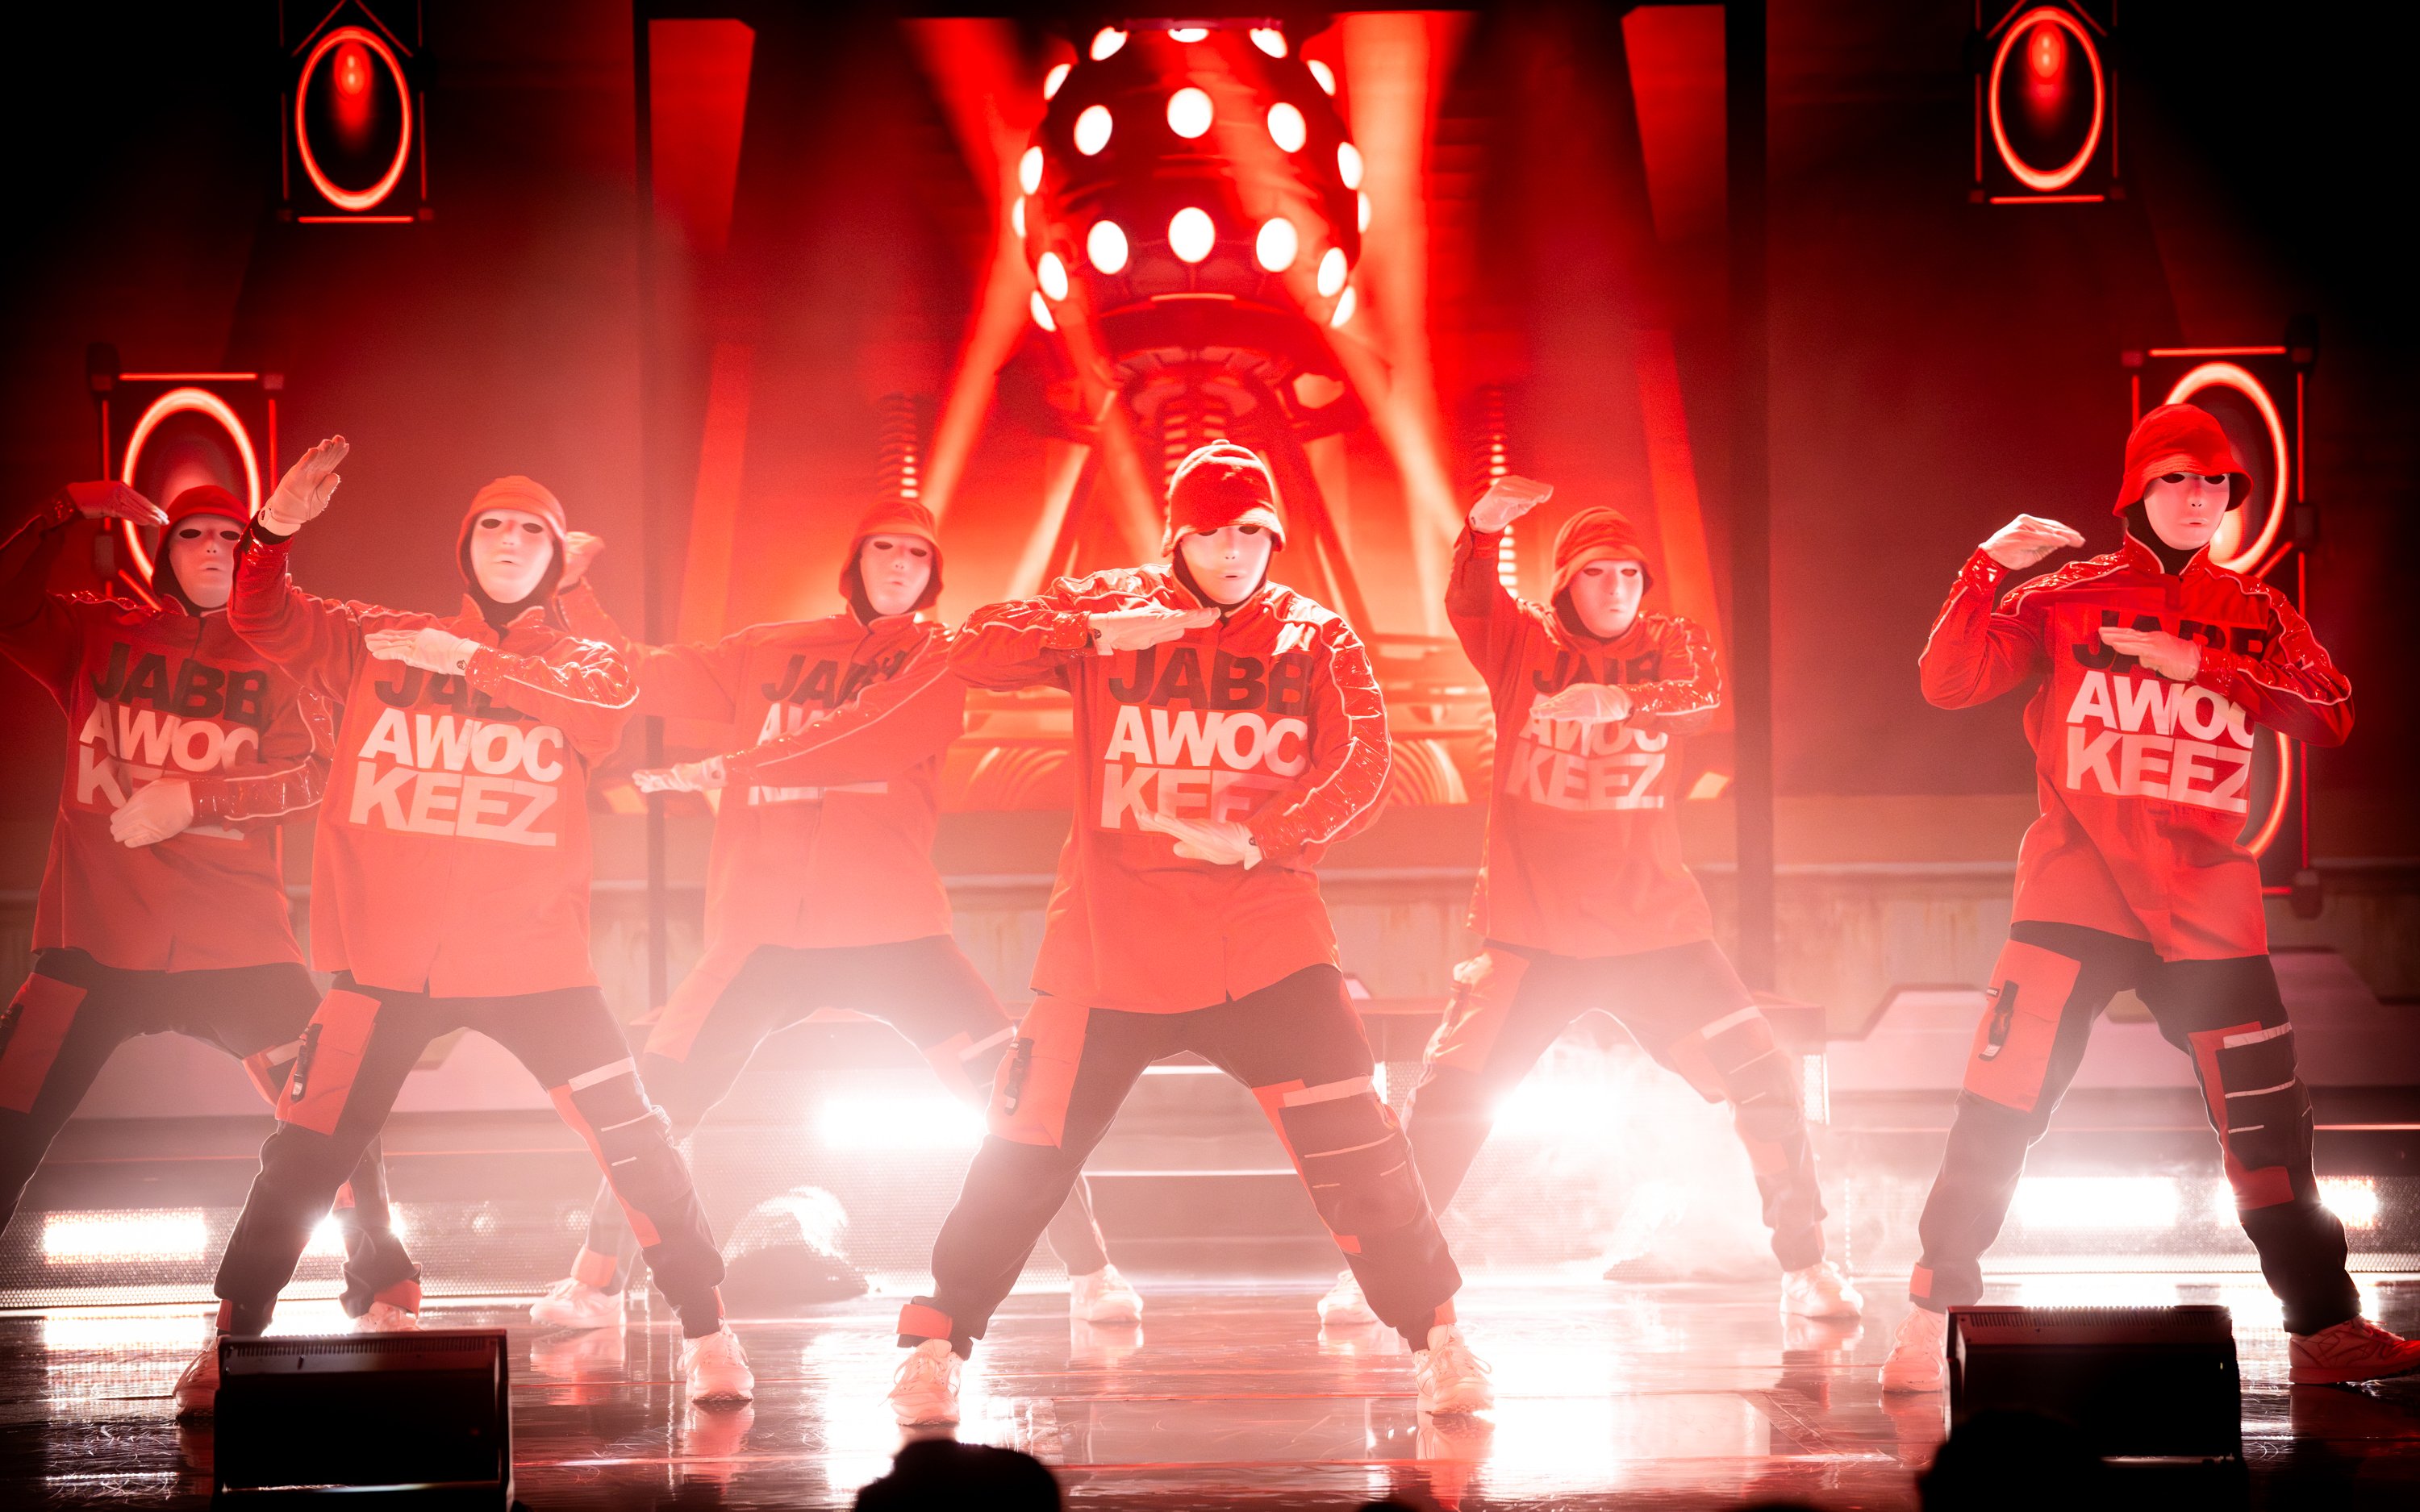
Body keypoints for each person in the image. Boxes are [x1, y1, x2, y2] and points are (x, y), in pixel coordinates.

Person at [866, 441, 1487, 1427]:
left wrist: (1263, 838)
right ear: (1176, 537)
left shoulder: (1316, 636)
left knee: (1363, 1159)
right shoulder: (1113, 606)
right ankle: (933, 1343)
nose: (1233, 550)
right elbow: (971, 648)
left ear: (1275, 536)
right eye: (1210, 531)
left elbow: (1366, 762)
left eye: (1252, 531)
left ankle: (1440, 1341)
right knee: (1020, 1159)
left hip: (1267, 947)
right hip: (1107, 953)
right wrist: (1094, 631)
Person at [172, 438, 753, 1412]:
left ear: (558, 558)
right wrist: (269, 535)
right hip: (386, 964)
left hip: (536, 961)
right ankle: (230, 1339)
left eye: (534, 531)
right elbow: (261, 614)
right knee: (303, 1155)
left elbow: (606, 710)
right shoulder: (386, 638)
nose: (511, 542)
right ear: (464, 546)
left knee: (638, 1144)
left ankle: (710, 1334)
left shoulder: (579, 661)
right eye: (493, 526)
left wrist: (477, 660)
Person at [1882, 403, 2420, 1389]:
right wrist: (1986, 568)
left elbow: (2334, 713)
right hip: (2073, 891)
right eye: (2177, 477)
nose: (2199, 497)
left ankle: (2323, 1331)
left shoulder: (2258, 611)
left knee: (2268, 1130)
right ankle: (1931, 1311)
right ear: (2137, 490)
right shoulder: (2067, 594)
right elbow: (1947, 682)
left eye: (2216, 482)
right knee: (2000, 1104)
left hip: (2209, 905)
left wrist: (2203, 663)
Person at [524, 498, 1137, 1329]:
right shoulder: (771, 649)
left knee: (1013, 1100)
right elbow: (640, 674)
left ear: (933, 574)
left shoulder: (942, 659)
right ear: (855, 560)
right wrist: (572, 593)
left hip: (897, 930)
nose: (899, 565)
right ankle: (594, 1284)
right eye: (884, 548)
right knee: (656, 1109)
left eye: (917, 555)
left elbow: (933, 708)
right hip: (761, 935)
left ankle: (1094, 1272)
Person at [1320, 478, 1857, 1327]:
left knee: (1764, 1077)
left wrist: (1625, 699)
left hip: (1656, 931)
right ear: (1567, 583)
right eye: (1597, 573)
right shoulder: (1521, 642)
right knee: (1448, 1102)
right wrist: (1481, 531)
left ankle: (1807, 1264)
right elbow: (1471, 601)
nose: (1616, 589)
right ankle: (1381, 1276)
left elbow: (1703, 696)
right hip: (1531, 933)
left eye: (1630, 574)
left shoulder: (1671, 642)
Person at [0, 480, 419, 1327]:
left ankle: (385, 1277)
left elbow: (318, 774)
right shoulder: (99, 630)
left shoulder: (280, 652)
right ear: (166, 551)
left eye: (233, 536)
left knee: (327, 1106)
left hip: (237, 943)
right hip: (95, 937)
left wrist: (197, 799)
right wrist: (63, 511)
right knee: (7, 1116)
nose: (215, 550)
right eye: (193, 534)